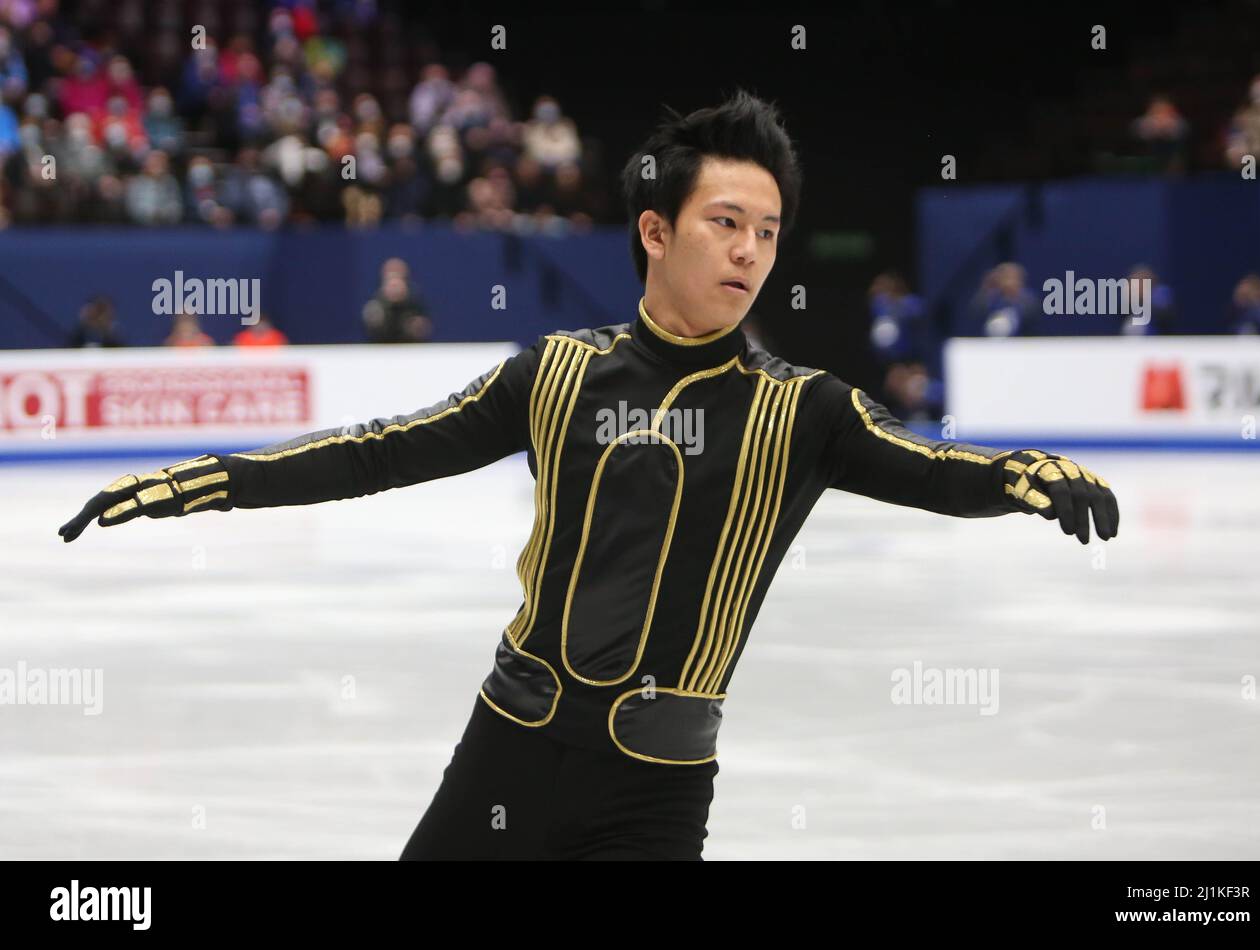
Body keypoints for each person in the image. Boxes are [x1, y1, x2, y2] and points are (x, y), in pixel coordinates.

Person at [56, 90, 1120, 861]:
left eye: (767, 231)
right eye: (724, 222)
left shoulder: (803, 410)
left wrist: (1024, 472)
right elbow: (378, 448)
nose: (750, 251)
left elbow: (932, 460)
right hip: (506, 752)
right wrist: (216, 477)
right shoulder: (554, 374)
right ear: (655, 231)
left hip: (655, 789)